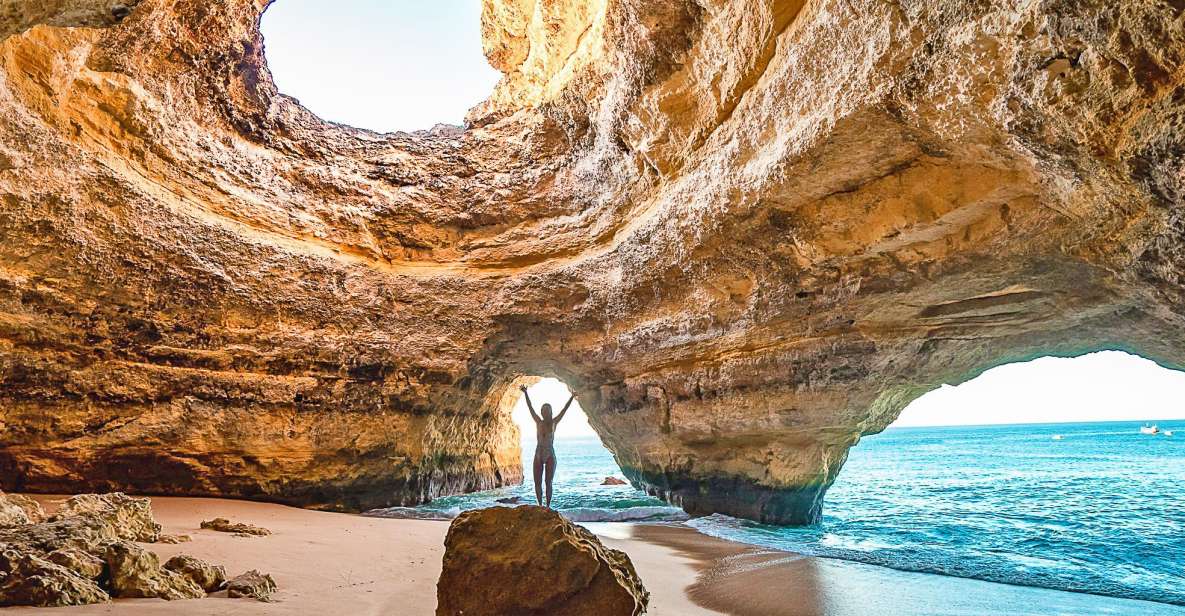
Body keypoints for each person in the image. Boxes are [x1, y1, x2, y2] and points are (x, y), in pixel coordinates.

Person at [519, 384, 575, 508]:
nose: (544, 412)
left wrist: (572, 397)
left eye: (547, 410)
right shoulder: (538, 421)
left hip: (550, 453)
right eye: (543, 410)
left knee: (548, 482)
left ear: (550, 412)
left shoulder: (554, 422)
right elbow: (530, 408)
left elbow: (564, 410)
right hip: (538, 452)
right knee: (537, 483)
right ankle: (540, 505)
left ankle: (548, 507)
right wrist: (525, 393)